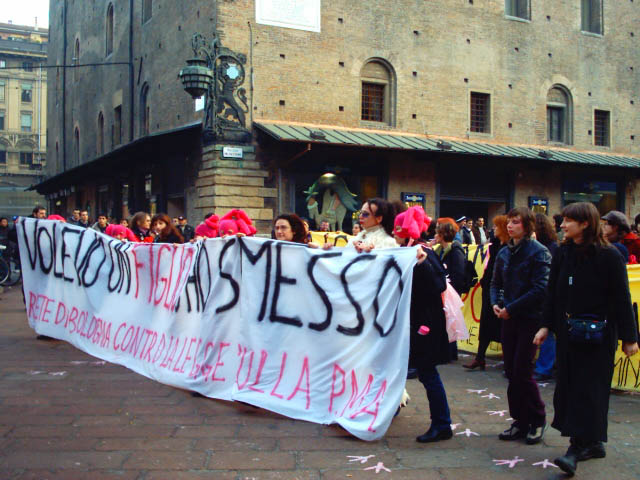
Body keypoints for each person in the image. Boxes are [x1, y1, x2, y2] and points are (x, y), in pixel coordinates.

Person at [533, 202, 639, 476]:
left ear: (585, 224)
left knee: (589, 390)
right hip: (568, 334)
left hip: (598, 336)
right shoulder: (563, 253)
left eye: (568, 220)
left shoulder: (609, 255)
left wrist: (629, 337)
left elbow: (622, 298)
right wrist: (545, 326)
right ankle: (593, 442)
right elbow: (552, 293)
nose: (562, 225)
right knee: (569, 387)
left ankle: (577, 448)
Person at [491, 207, 550, 445]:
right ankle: (520, 420)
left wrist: (512, 308)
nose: (510, 225)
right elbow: (495, 283)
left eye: (515, 222)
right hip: (508, 317)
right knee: (510, 371)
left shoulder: (539, 252)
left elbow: (540, 288)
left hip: (529, 318)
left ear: (527, 226)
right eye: (509, 221)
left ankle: (537, 418)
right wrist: (495, 304)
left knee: (522, 371)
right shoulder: (504, 252)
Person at [393, 207, 453, 443]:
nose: (394, 233)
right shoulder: (406, 251)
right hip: (413, 322)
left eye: (397, 229)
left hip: (425, 325)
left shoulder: (423, 252)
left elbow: (439, 285)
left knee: (428, 373)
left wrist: (423, 263)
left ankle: (442, 424)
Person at [463, 215, 508, 370]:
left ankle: (508, 360)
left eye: (496, 226)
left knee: (502, 326)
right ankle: (480, 357)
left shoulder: (508, 247)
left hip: (502, 291)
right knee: (486, 324)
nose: (493, 229)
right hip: (490, 289)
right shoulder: (494, 245)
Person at [532, 213, 560, 381]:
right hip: (536, 294)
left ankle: (545, 367)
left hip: (546, 295)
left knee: (547, 331)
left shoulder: (551, 248)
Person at [434, 221, 467, 361]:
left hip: (451, 292)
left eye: (437, 233)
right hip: (443, 291)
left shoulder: (455, 251)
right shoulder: (439, 250)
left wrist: (452, 289)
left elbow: (458, 274)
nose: (435, 236)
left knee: (451, 321)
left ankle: (450, 352)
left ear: (443, 235)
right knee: (444, 321)